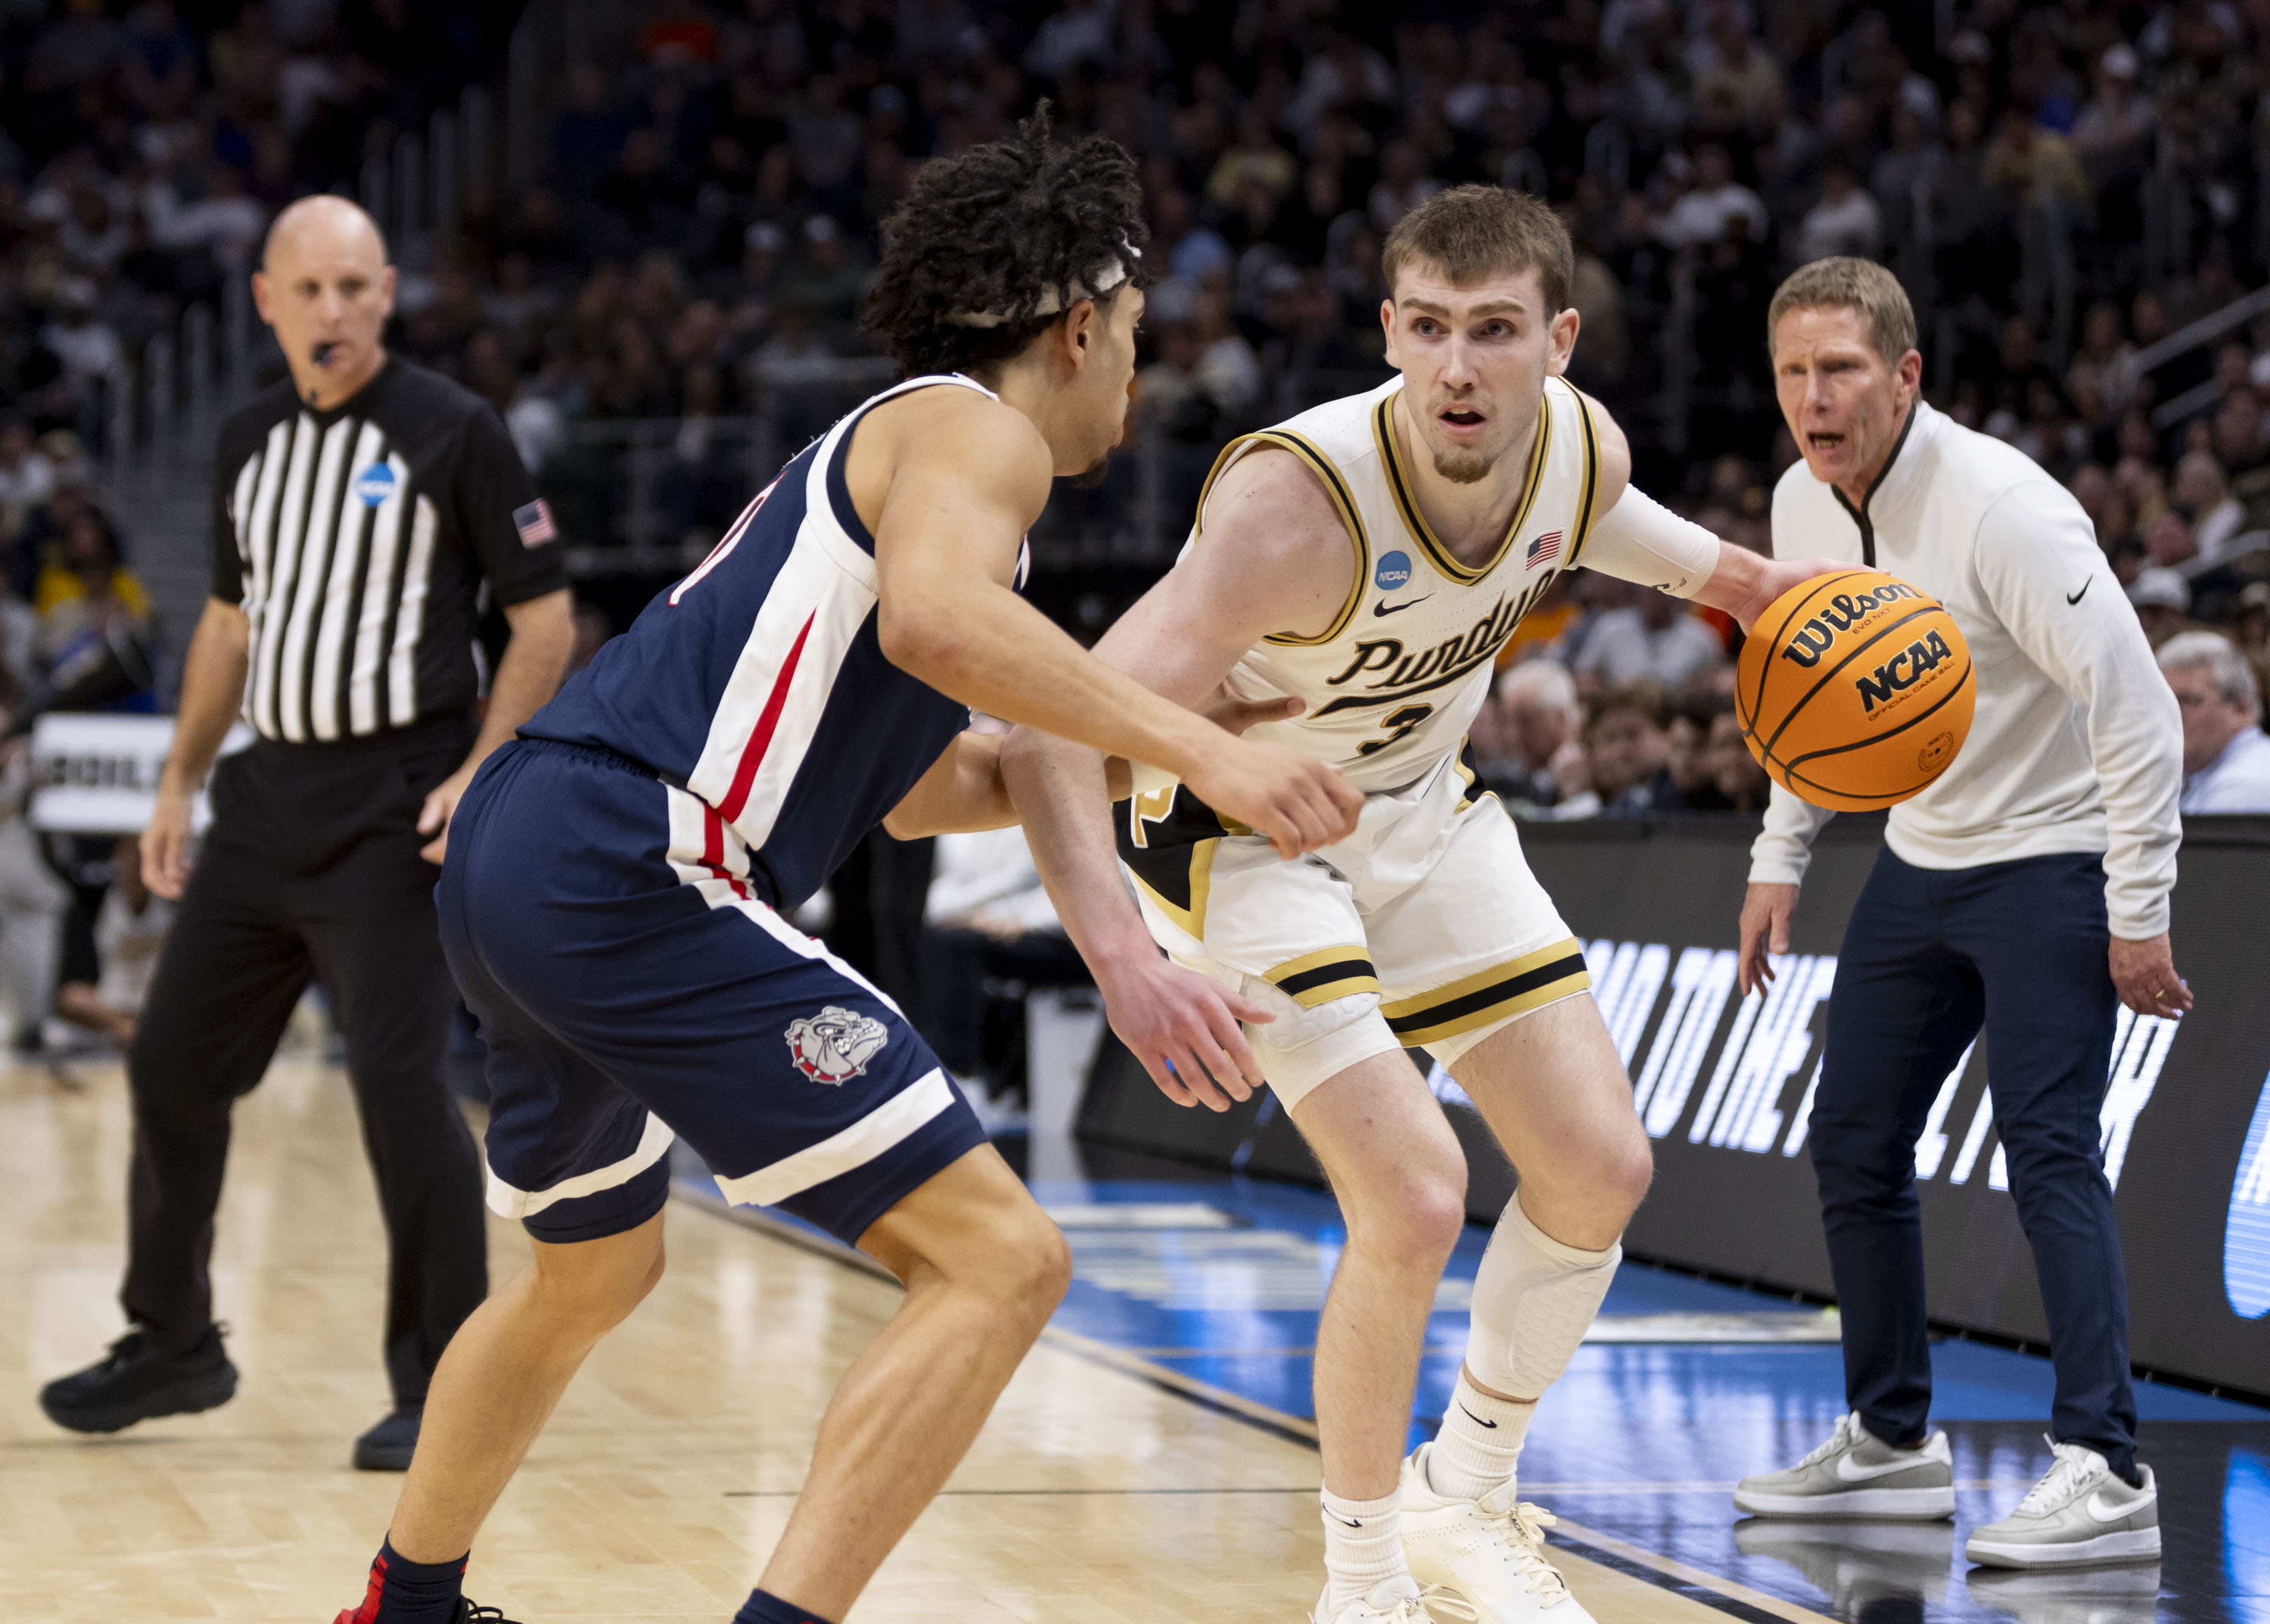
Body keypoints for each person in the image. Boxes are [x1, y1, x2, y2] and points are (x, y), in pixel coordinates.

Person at [330, 111, 1358, 1624]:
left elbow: (939, 781)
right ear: (1077, 327)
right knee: (1001, 1260)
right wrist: (1207, 756)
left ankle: (400, 1606)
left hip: (533, 855)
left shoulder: (919, 468)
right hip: (633, 856)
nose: (1141, 372)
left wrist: (1152, 733)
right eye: (1136, 335)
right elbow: (938, 625)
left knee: (590, 1275)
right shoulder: (974, 433)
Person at [1000, 185, 1839, 1624]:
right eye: (1432, 329)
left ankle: (1469, 1492)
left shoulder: (1580, 450)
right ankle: (1365, 1580)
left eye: (1497, 332)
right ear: (1389, 331)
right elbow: (1051, 727)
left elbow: (1605, 518)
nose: (1460, 366)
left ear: (1557, 343)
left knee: (1598, 1171)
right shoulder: (1293, 507)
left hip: (1421, 807)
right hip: (1236, 835)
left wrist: (1750, 582)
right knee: (1413, 1197)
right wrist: (1129, 961)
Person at [38, 196, 578, 1472]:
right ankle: (171, 1341)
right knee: (170, 1063)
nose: (334, 311)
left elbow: (543, 619)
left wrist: (482, 769)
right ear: (266, 302)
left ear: (387, 294)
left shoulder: (458, 430)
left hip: (396, 808)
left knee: (398, 1082)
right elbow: (227, 627)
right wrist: (177, 782)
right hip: (265, 800)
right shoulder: (246, 441)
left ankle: (445, 1379)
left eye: (356, 287)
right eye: (311, 290)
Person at [1732, 259, 2184, 1569]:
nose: (1815, 398)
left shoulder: (2002, 508)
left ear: (1906, 374)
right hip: (1922, 861)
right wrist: (1781, 855)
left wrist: (2137, 906)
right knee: (1853, 1140)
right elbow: (1801, 701)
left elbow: (2139, 709)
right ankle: (1889, 1443)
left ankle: (2105, 1468)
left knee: (2050, 1151)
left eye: (1841, 370)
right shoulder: (1794, 501)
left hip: (2053, 857)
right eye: (1792, 375)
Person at [2159, 630, 2270, 813]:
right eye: (2164, 701)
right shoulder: (2195, 771)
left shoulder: (2245, 786)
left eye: (2189, 701)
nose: (2172, 714)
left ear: (2240, 710)